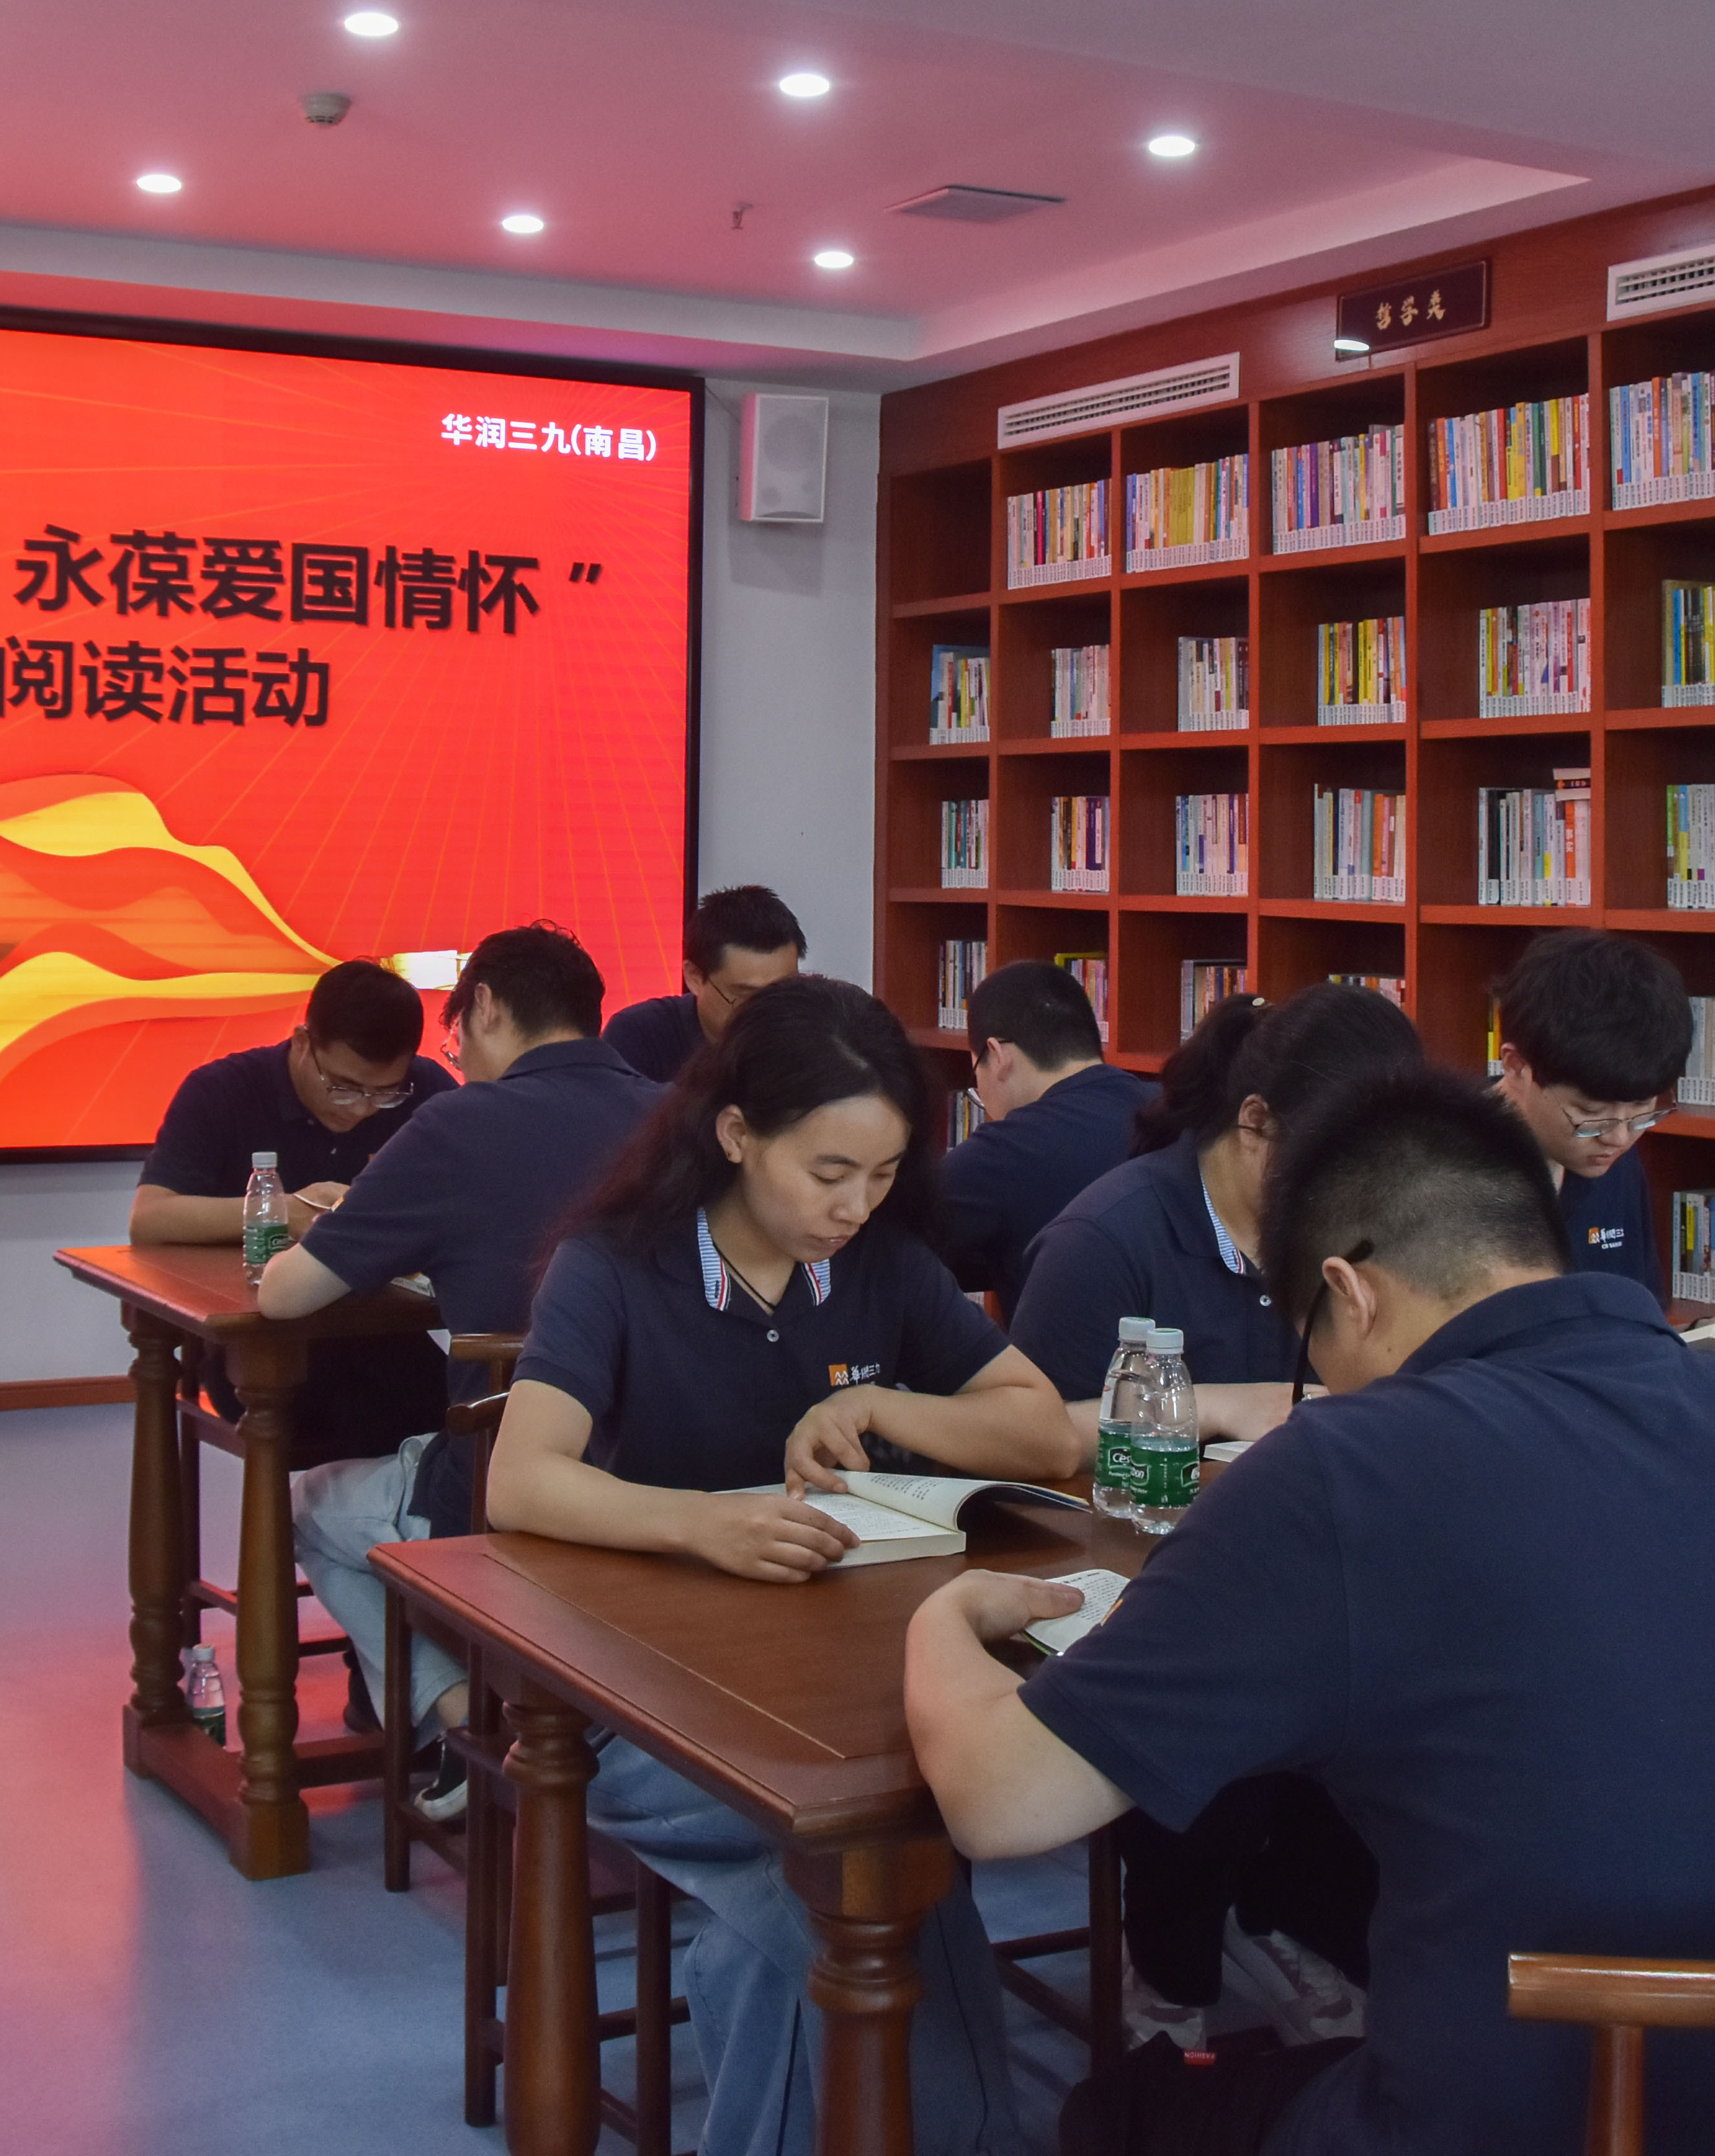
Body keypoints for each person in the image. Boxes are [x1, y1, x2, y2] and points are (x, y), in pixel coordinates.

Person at [905, 1068, 1715, 2156]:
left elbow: (999, 1801)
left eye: (1308, 1346)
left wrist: (944, 1619)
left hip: (1530, 2123)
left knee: (1116, 2113)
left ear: (1351, 1293)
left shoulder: (1347, 1469)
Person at [493, 975, 1079, 2156]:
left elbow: (1047, 1434)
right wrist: (701, 1525)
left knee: (842, 1892)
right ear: (736, 1134)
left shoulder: (881, 1266)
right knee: (854, 1889)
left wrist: (883, 1400)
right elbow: (521, 1479)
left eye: (883, 1174)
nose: (855, 1206)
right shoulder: (618, 1266)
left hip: (831, 1678)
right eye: (829, 1173)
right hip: (642, 1698)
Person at [1002, 983, 1429, 2047]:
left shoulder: (1356, 1242)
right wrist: (1222, 1408)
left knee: (1419, 1696)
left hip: (1311, 1563)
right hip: (1135, 1576)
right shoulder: (1107, 1238)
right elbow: (1023, 1440)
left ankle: (1300, 1926)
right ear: (1256, 1125)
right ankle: (1176, 1963)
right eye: (1336, 1159)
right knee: (1230, 1700)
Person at [259, 924, 658, 1795]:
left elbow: (284, 1296)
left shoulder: (456, 1124)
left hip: (502, 1481)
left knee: (309, 1505)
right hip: (669, 1475)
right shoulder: (680, 1118)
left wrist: (336, 1219)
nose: (460, 1058)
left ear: (486, 1008)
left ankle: (462, 1722)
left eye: (455, 1037)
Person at [131, 958, 456, 1469]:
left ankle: (387, 1516)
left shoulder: (426, 1091)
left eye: (383, 1094)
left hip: (385, 1331)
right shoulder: (222, 1090)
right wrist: (286, 1211)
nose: (361, 1109)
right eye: (342, 1086)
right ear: (303, 1042)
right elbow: (150, 1219)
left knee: (460, 1417)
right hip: (257, 1342)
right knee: (367, 1414)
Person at [930, 958, 1154, 1301]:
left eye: (976, 1074)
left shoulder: (1001, 1153)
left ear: (997, 1055)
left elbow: (885, 1252)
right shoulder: (1173, 1110)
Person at [1487, 929, 1687, 1303]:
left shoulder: (1610, 1155)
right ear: (1516, 1067)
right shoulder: (1440, 1174)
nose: (1619, 1139)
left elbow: (1633, 1317)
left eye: (1642, 1110)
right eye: (1590, 1114)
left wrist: (1705, 1329)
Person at [602, 883, 808, 1083]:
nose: (768, 1013)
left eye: (783, 993)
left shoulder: (814, 1036)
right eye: (746, 997)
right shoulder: (640, 1036)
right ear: (695, 978)